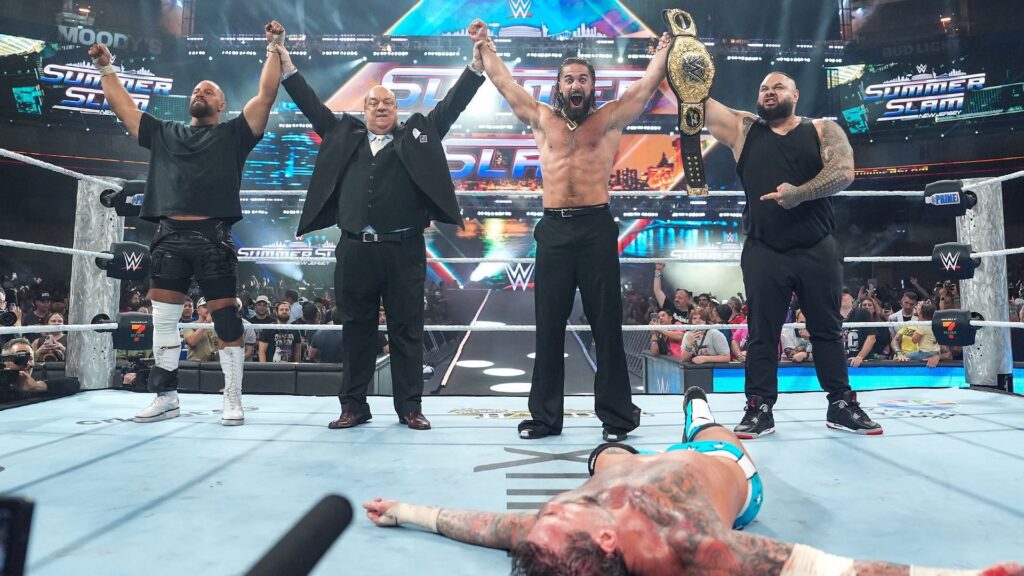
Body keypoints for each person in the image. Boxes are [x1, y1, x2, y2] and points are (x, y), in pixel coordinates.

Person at [362, 386, 1020, 575]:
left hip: (630, 464)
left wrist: (404, 510)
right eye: (558, 516)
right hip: (720, 467)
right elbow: (831, 569)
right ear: (609, 541)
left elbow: (479, 526)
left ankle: (646, 434)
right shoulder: (692, 544)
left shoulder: (548, 541)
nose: (548, 510)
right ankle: (699, 407)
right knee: (709, 431)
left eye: (546, 517)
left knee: (606, 458)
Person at [275, 23, 485, 431]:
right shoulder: (343, 134)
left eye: (389, 103)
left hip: (404, 249)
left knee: (407, 329)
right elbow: (310, 104)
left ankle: (409, 407)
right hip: (355, 248)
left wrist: (475, 66)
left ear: (397, 110)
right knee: (356, 330)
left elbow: (451, 106)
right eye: (374, 103)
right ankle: (353, 406)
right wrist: (284, 60)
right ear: (364, 109)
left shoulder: (417, 136)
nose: (382, 108)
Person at [472, 19, 670, 441]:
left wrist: (664, 51)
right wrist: (485, 45)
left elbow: (646, 87)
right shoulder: (542, 118)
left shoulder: (609, 118)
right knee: (548, 326)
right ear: (559, 86)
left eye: (582, 78)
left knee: (606, 325)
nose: (575, 84)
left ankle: (617, 417)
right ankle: (546, 418)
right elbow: (505, 84)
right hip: (555, 230)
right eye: (569, 79)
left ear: (592, 86)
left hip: (596, 227)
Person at [88, 20, 283, 426]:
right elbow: (124, 108)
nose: (200, 93)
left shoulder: (234, 134)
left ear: (222, 104)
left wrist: (274, 48)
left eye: (209, 91)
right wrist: (107, 68)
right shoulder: (164, 133)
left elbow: (266, 94)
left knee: (225, 318)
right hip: (169, 236)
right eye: (197, 90)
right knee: (163, 320)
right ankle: (166, 396)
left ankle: (232, 396)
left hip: (213, 236)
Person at [701, 70, 882, 438]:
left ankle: (841, 403)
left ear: (795, 95)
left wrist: (799, 193)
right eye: (763, 88)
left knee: (827, 330)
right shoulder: (744, 129)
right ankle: (759, 407)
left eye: (778, 87)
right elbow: (695, 101)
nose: (769, 92)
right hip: (764, 249)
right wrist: (672, 58)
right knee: (761, 333)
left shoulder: (822, 129)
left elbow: (844, 171)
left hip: (817, 247)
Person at [1, 337, 80, 403]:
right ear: (5, 360)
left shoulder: (38, 377)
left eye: (30, 358)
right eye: (20, 358)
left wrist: (37, 386)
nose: (27, 363)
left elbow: (74, 384)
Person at [893, 300, 941, 368]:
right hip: (905, 360)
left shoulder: (927, 326)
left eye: (919, 305)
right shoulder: (910, 323)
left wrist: (937, 356)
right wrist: (899, 354)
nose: (916, 306)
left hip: (921, 358)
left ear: (922, 313)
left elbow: (947, 353)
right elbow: (895, 340)